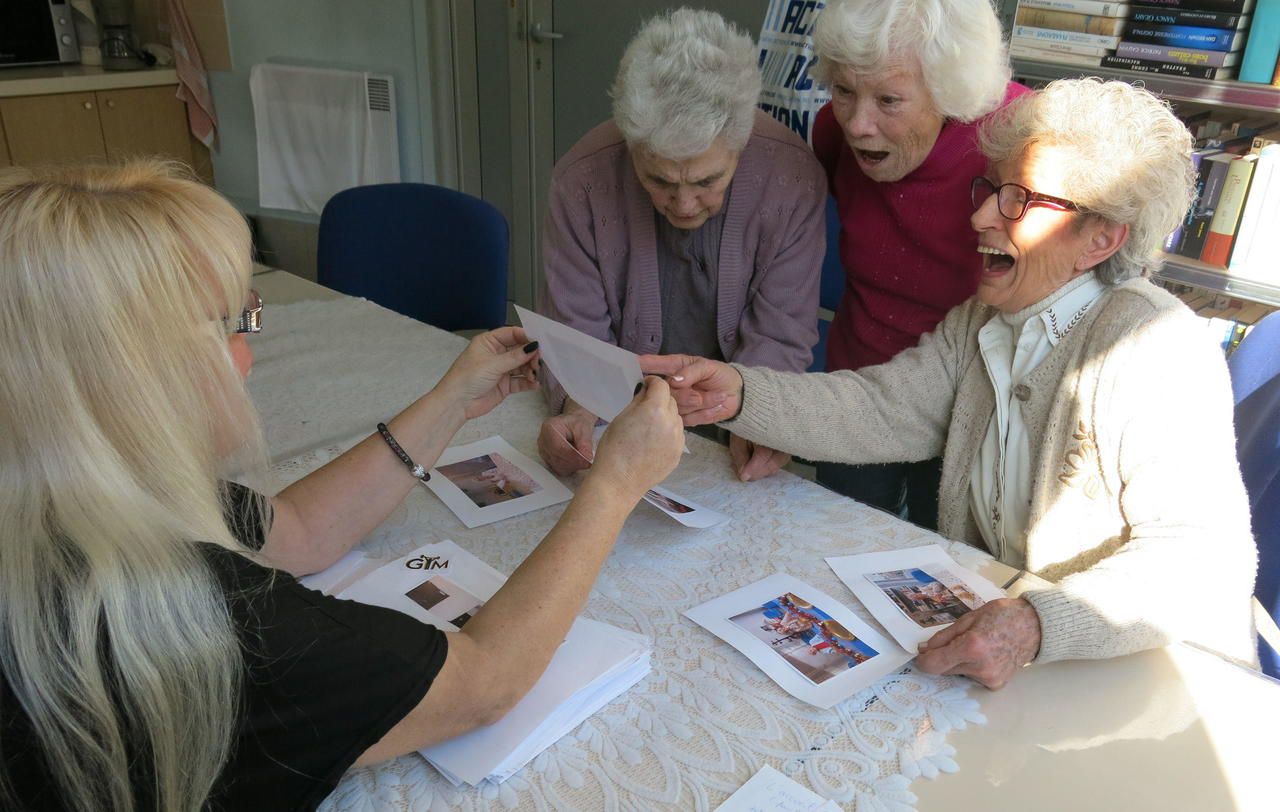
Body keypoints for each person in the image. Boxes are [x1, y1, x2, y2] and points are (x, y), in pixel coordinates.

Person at [0, 161, 686, 811]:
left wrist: (453, 397)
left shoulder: (79, 490)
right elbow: (484, 683)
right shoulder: (203, 625)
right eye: (238, 323)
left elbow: (295, 531)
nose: (251, 351)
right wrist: (615, 484)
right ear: (136, 375)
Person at [643, 79, 1259, 689]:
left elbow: (1202, 562)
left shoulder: (1152, 346)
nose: (981, 215)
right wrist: (740, 393)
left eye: (1020, 199)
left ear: (1099, 240)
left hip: (1158, 684)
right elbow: (879, 409)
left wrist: (1032, 626)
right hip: (1029, 667)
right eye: (992, 189)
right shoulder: (984, 319)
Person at [537, 8, 826, 484]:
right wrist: (577, 411)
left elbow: (781, 332)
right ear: (632, 146)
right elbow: (576, 332)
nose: (685, 204)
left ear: (742, 141)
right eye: (659, 180)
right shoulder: (582, 180)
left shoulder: (792, 178)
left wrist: (757, 419)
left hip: (731, 416)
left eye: (709, 180)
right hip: (619, 418)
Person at [807, 0, 1031, 529]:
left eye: (889, 100)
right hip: (860, 384)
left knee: (945, 573)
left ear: (950, 93)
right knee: (836, 541)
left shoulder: (1019, 140)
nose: (858, 125)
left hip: (971, 400)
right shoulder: (830, 132)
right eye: (843, 91)